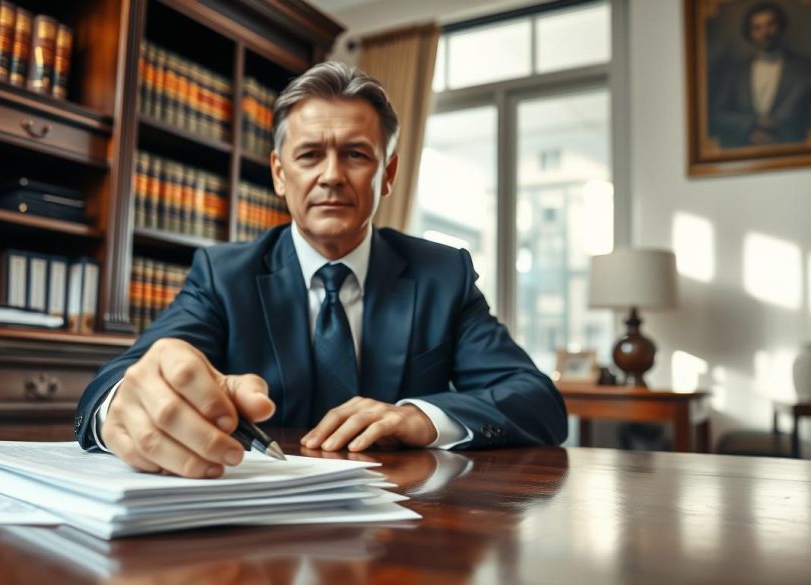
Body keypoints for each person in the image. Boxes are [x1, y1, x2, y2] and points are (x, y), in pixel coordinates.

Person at [74, 61, 567, 478]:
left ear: (388, 174)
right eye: (310, 155)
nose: (332, 175)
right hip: (259, 518)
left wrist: (421, 416)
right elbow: (117, 380)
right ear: (279, 174)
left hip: (406, 522)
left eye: (356, 154)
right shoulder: (224, 275)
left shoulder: (444, 273)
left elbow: (537, 401)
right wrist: (125, 403)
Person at [709, 2, 811, 148]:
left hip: (792, 149)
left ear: (781, 27)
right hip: (745, 149)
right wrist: (751, 125)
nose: (765, 33)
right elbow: (717, 116)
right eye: (757, 28)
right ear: (749, 34)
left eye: (770, 24)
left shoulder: (806, 70)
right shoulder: (734, 74)